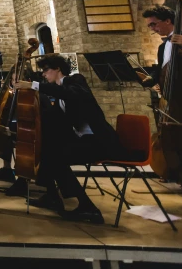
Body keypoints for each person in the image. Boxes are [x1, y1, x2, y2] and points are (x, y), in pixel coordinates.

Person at [15, 54, 125, 224]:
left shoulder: (76, 81)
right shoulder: (59, 96)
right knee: (47, 151)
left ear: (58, 68)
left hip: (99, 142)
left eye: (46, 70)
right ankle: (52, 196)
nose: (44, 74)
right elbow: (55, 121)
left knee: (56, 158)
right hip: (83, 140)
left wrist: (33, 86)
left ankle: (88, 208)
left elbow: (71, 94)